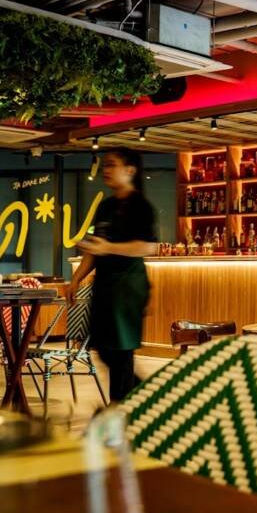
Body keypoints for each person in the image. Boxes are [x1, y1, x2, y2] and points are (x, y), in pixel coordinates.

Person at [68, 148, 158, 402]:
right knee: (104, 349)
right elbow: (95, 248)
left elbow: (148, 247)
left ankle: (120, 407)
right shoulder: (106, 206)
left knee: (120, 352)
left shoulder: (141, 206)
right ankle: (144, 396)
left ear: (130, 170)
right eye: (105, 165)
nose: (105, 170)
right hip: (105, 287)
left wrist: (108, 248)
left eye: (111, 164)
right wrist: (76, 279)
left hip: (128, 288)